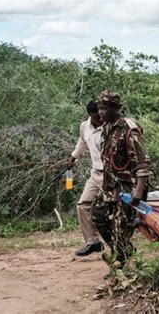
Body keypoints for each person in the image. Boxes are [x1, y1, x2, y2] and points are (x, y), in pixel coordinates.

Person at [92, 90, 153, 265]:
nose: (100, 112)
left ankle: (120, 266)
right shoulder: (106, 127)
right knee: (97, 215)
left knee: (120, 226)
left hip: (127, 187)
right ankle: (122, 249)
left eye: (104, 109)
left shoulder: (129, 129)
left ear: (116, 109)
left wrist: (138, 192)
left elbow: (143, 163)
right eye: (99, 108)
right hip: (110, 185)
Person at [67, 100, 104, 257]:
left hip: (112, 175)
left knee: (111, 209)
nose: (100, 118)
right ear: (90, 115)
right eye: (96, 116)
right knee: (83, 205)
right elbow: (82, 142)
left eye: (101, 114)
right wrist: (73, 158)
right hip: (96, 174)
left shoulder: (110, 126)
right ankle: (92, 242)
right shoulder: (84, 126)